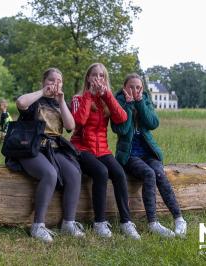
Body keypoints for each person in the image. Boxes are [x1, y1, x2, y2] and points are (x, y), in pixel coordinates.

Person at [8, 68, 84, 243]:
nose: (55, 84)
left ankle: (68, 223)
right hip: (30, 147)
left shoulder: (59, 104)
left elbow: (71, 125)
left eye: (58, 81)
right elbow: (20, 102)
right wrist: (43, 92)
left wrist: (62, 100)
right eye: (51, 80)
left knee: (74, 173)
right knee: (49, 174)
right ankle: (38, 226)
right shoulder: (36, 100)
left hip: (53, 148)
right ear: (44, 81)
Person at [111, 73, 187, 238]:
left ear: (142, 88)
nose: (135, 90)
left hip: (148, 152)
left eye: (138, 87)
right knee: (149, 173)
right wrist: (130, 107)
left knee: (159, 173)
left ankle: (179, 218)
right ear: (125, 88)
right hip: (129, 155)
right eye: (131, 86)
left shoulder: (144, 100)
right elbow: (121, 130)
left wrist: (139, 104)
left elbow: (153, 123)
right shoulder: (118, 102)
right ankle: (153, 222)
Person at [70, 63, 140, 240]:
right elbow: (79, 122)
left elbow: (122, 117)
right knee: (101, 172)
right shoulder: (79, 98)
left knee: (118, 173)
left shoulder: (106, 99)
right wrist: (89, 95)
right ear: (88, 78)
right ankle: (99, 222)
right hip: (81, 148)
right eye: (95, 75)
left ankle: (126, 222)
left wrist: (107, 95)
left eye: (102, 76)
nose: (98, 79)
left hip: (102, 149)